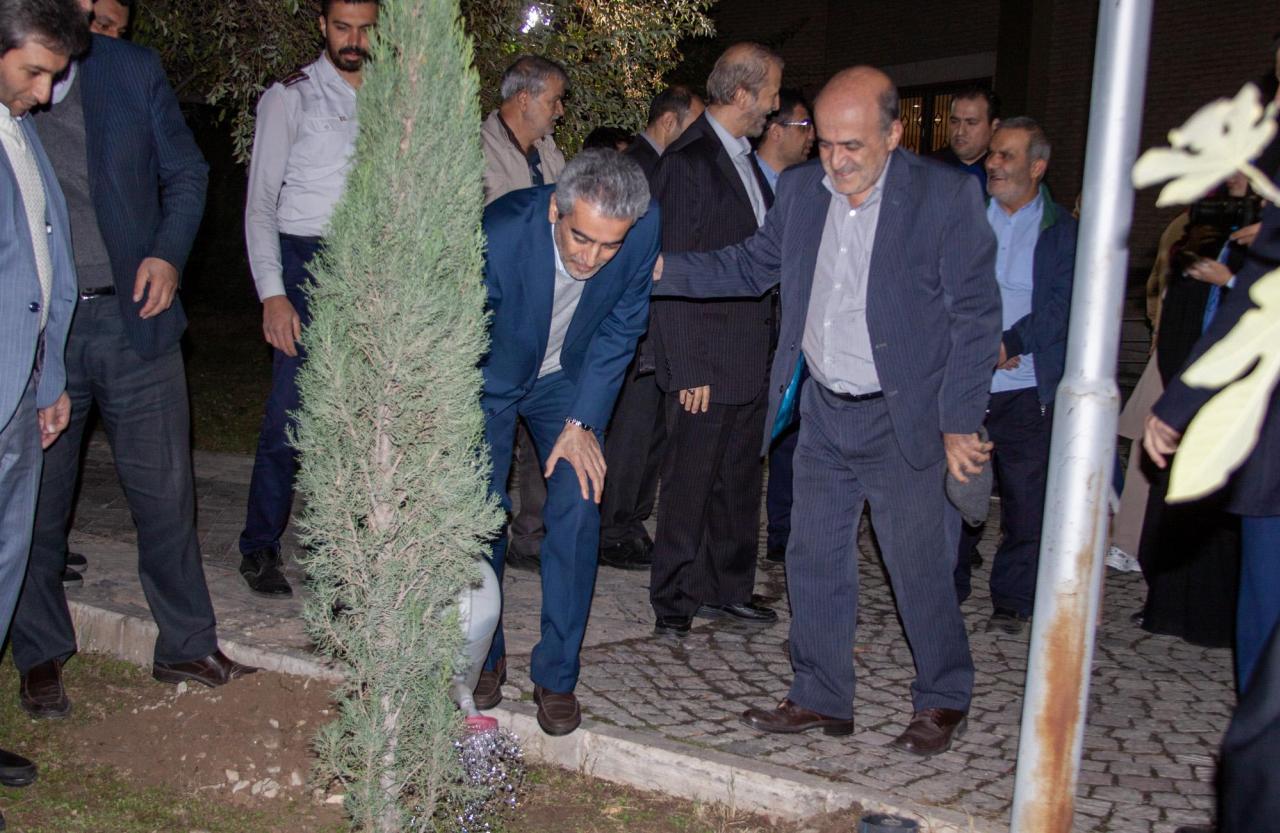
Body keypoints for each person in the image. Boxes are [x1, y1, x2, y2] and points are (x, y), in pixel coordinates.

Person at [653, 66, 1001, 756]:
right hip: (823, 408)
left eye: (853, 146)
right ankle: (820, 694)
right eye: (827, 144)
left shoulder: (943, 196)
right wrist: (661, 269)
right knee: (811, 556)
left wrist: (959, 418)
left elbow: (976, 313)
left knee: (917, 565)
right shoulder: (803, 192)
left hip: (901, 414)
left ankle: (943, 693)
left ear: (894, 134)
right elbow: (751, 267)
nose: (836, 162)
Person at [11, 19, 258, 722]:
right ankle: (40, 652)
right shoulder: (11, 71)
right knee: (39, 502)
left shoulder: (130, 68)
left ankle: (186, 643)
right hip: (41, 331)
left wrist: (168, 253)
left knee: (166, 494)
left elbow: (186, 171)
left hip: (135, 318)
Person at [471, 149, 658, 735]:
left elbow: (623, 326)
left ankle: (556, 674)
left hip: (567, 382)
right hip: (490, 378)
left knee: (579, 504)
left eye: (608, 246)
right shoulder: (499, 233)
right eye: (581, 238)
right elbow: (460, 331)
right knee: (480, 512)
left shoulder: (642, 227)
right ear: (556, 207)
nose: (591, 258)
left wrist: (583, 422)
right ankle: (484, 653)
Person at [240, 0, 379, 598]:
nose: (353, 40)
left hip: (370, 267)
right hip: (304, 262)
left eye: (364, 29)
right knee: (290, 415)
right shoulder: (290, 96)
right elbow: (260, 205)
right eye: (342, 27)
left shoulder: (392, 96)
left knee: (358, 419)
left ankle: (339, 551)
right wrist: (273, 294)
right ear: (322, 25)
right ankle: (259, 544)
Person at [648, 42, 782, 636]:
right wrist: (688, 366)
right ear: (743, 93)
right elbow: (669, 267)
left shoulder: (745, 159)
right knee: (689, 484)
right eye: (771, 92)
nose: (775, 105)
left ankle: (726, 589)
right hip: (705, 358)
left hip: (748, 355)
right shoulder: (689, 161)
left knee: (737, 482)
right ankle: (674, 599)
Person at [0, 0, 88, 817]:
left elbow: (42, 262)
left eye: (55, 76)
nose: (44, 93)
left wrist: (51, 375)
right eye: (33, 72)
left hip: (22, 394)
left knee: (6, 564)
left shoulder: (19, 133)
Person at [952, 117, 1076, 635]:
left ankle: (1012, 599)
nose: (994, 164)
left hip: (1025, 390)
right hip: (965, 384)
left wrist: (1010, 344)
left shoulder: (1062, 231)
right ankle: (947, 587)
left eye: (1006, 156)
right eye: (993, 154)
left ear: (1037, 167)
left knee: (1025, 503)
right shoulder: (966, 218)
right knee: (955, 493)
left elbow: (1062, 305)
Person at [597, 84, 704, 572]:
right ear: (668, 121)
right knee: (632, 434)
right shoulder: (636, 167)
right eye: (694, 123)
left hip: (655, 323)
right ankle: (613, 529)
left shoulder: (662, 165)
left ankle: (630, 522)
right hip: (635, 322)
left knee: (650, 434)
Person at [480, 54, 570, 571]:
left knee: (543, 438)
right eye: (554, 100)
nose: (559, 110)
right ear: (523, 98)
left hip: (548, 315)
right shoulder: (474, 150)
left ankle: (530, 538)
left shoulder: (551, 153)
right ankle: (481, 559)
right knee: (490, 454)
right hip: (498, 319)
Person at [753, 87, 814, 563]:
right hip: (753, 333)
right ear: (776, 130)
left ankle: (785, 530)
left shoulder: (808, 188)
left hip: (795, 333)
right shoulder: (745, 177)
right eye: (804, 126)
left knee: (792, 437)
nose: (812, 137)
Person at [931, 86, 999, 192]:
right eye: (954, 122)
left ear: (994, 126)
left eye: (971, 123)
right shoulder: (928, 167)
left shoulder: (1003, 173)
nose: (960, 131)